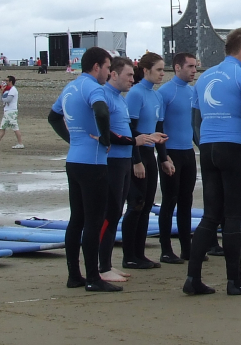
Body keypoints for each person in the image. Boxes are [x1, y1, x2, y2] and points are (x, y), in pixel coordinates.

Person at [184, 28, 241, 296]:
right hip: (234, 147)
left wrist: (205, 146)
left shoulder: (203, 78)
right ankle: (234, 281)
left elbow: (194, 122)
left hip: (209, 149)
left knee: (211, 214)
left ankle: (192, 278)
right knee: (234, 216)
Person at [47, 46, 121, 292]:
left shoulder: (70, 87)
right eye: (108, 68)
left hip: (74, 161)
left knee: (76, 219)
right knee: (93, 220)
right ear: (96, 67)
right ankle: (93, 278)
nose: (109, 73)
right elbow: (101, 110)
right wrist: (106, 139)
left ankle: (74, 275)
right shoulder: (92, 87)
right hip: (93, 163)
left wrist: (72, 140)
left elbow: (53, 117)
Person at [99, 57, 163, 283]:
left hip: (126, 159)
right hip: (114, 162)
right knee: (112, 212)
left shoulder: (120, 98)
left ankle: (111, 263)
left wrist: (147, 139)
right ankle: (105, 265)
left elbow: (128, 133)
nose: (131, 78)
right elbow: (107, 133)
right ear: (113, 74)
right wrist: (136, 146)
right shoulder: (106, 96)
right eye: (128, 75)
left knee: (123, 210)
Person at [121, 52, 167, 270]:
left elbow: (159, 130)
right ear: (146, 70)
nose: (162, 74)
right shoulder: (136, 94)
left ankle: (140, 254)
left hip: (150, 154)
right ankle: (128, 256)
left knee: (147, 205)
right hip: (137, 154)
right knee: (136, 204)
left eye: (163, 69)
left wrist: (164, 157)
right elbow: (129, 130)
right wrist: (136, 161)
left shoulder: (156, 96)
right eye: (158, 70)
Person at [157, 52, 198, 264]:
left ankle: (186, 248)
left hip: (188, 153)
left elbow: (194, 126)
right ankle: (165, 249)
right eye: (190, 66)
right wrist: (163, 157)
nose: (194, 71)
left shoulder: (192, 92)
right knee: (169, 201)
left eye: (195, 67)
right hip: (171, 153)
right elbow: (158, 126)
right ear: (177, 68)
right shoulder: (165, 92)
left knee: (186, 201)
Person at [0, 76, 24, 149]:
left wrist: (2, 92)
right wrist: (3, 92)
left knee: (15, 127)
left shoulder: (13, 90)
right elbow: (4, 99)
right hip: (7, 111)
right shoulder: (10, 90)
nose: (6, 82)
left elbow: (7, 100)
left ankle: (20, 143)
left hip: (11, 112)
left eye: (7, 80)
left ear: (11, 82)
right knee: (2, 127)